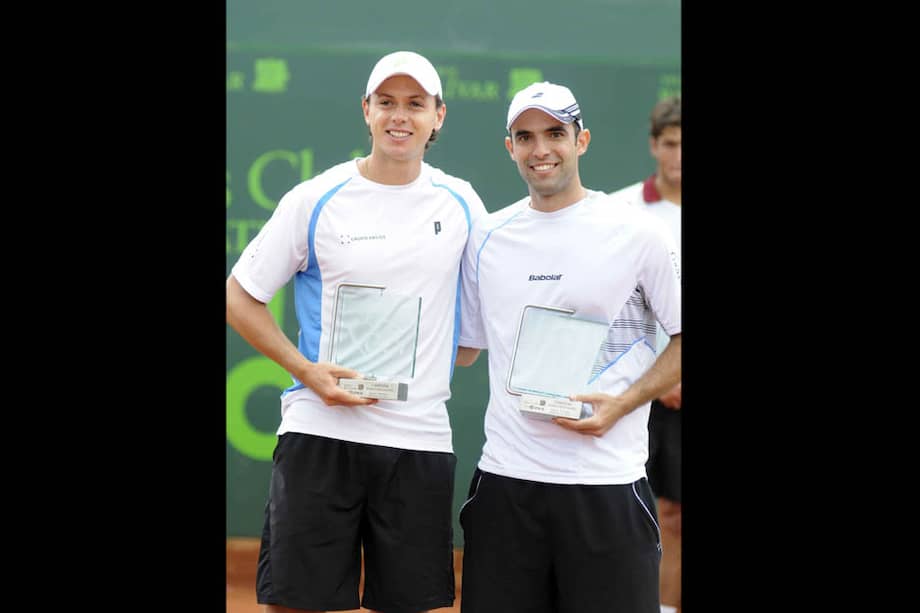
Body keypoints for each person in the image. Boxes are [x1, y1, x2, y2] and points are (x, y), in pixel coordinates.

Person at [226, 50, 488, 613]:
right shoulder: (315, 198)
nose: (401, 116)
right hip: (320, 434)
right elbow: (239, 295)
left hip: (417, 440)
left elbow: (470, 342)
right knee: (295, 603)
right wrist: (307, 372)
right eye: (387, 103)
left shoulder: (464, 203)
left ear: (438, 115)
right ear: (366, 110)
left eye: (415, 104)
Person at [454, 81, 681, 613]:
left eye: (555, 133)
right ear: (509, 147)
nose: (541, 150)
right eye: (525, 137)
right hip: (507, 485)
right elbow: (463, 348)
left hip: (606, 485)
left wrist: (623, 404)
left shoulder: (638, 233)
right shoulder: (487, 237)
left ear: (581, 140)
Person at [608, 96, 681, 613]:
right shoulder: (621, 209)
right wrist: (661, 378)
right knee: (628, 509)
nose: (680, 155)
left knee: (676, 514)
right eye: (672, 144)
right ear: (655, 145)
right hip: (633, 393)